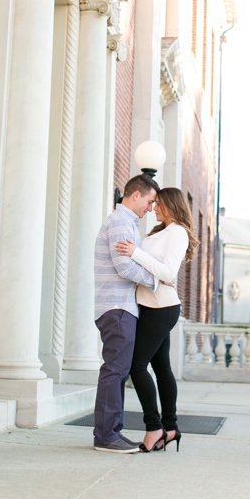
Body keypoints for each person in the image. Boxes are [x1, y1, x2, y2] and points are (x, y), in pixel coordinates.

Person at [114, 187, 198, 453]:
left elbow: (167, 271)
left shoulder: (178, 232)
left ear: (173, 205)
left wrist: (135, 253)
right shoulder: (160, 232)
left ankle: (154, 427)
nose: (154, 208)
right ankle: (170, 427)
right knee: (162, 369)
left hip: (161, 307)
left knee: (137, 366)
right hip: (149, 305)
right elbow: (156, 271)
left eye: (159, 204)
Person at [92, 174, 163, 453]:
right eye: (149, 201)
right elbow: (125, 267)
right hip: (117, 306)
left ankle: (110, 433)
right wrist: (156, 279)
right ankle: (107, 436)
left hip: (120, 307)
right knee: (115, 371)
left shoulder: (126, 222)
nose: (150, 208)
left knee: (117, 371)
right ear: (136, 195)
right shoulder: (121, 222)